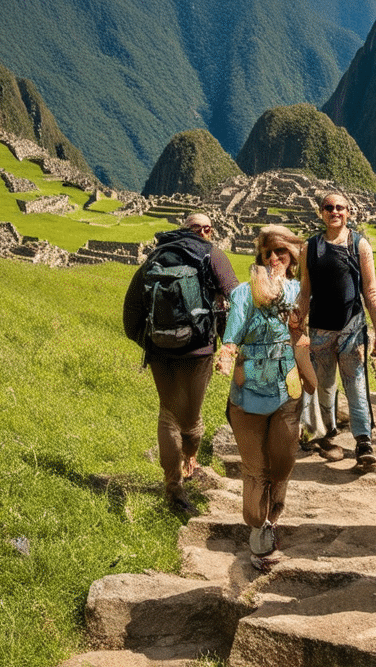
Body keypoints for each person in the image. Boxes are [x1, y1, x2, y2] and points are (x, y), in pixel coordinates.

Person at [123, 213, 238, 515]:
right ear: (192, 230)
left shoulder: (156, 256)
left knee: (169, 414)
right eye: (200, 228)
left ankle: (173, 484)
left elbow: (131, 308)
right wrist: (228, 341)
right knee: (190, 417)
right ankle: (189, 462)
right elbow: (237, 297)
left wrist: (148, 340)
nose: (203, 231)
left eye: (207, 228)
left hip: (160, 350)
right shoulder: (212, 254)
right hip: (198, 350)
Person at [215, 225, 310, 572]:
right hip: (248, 390)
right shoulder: (244, 293)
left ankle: (273, 517)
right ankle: (259, 527)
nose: (273, 259)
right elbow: (233, 333)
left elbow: (309, 333)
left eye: (281, 252)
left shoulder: (301, 294)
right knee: (256, 467)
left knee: (282, 461)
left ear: (292, 258)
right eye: (267, 252)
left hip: (288, 389)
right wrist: (226, 356)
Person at [298, 191, 376, 470]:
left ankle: (363, 441)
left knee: (356, 384)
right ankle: (327, 432)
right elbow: (305, 291)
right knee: (323, 385)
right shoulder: (308, 248)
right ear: (320, 212)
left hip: (352, 328)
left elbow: (371, 292)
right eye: (328, 207)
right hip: (320, 330)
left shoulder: (359, 245)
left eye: (340, 207)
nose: (334, 212)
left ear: (348, 212)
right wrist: (297, 325)